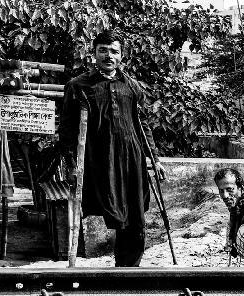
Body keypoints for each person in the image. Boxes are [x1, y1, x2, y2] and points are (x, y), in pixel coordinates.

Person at [58, 30, 165, 267]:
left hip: (131, 159)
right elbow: (66, 130)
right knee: (110, 208)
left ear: (122, 56)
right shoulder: (79, 86)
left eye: (114, 51)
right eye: (103, 50)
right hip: (99, 160)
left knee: (135, 216)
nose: (109, 56)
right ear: (94, 54)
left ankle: (128, 270)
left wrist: (155, 160)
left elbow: (143, 124)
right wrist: (71, 165)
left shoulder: (133, 87)